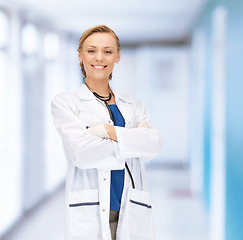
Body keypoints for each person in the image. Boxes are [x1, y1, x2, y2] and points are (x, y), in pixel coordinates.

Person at [51, 25, 163, 240]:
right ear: (80, 55)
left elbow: (153, 145)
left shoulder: (133, 105)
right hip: (91, 209)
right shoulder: (66, 103)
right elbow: (82, 154)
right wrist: (133, 142)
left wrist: (105, 131)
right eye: (92, 51)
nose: (99, 58)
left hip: (131, 205)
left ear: (117, 56)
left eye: (108, 51)